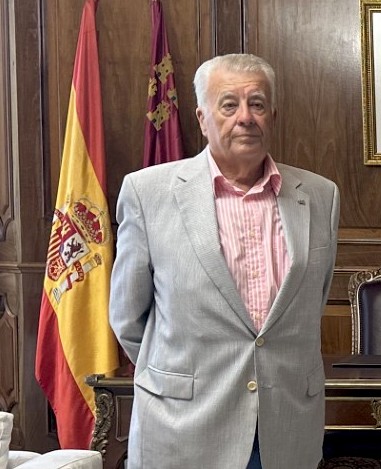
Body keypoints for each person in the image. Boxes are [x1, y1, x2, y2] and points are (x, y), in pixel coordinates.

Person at [109, 54, 340, 469]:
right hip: (184, 428)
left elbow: (312, 302)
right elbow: (127, 318)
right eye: (229, 104)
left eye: (257, 104)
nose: (245, 117)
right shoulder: (148, 193)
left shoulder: (321, 196)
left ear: (273, 116)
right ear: (202, 118)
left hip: (285, 427)